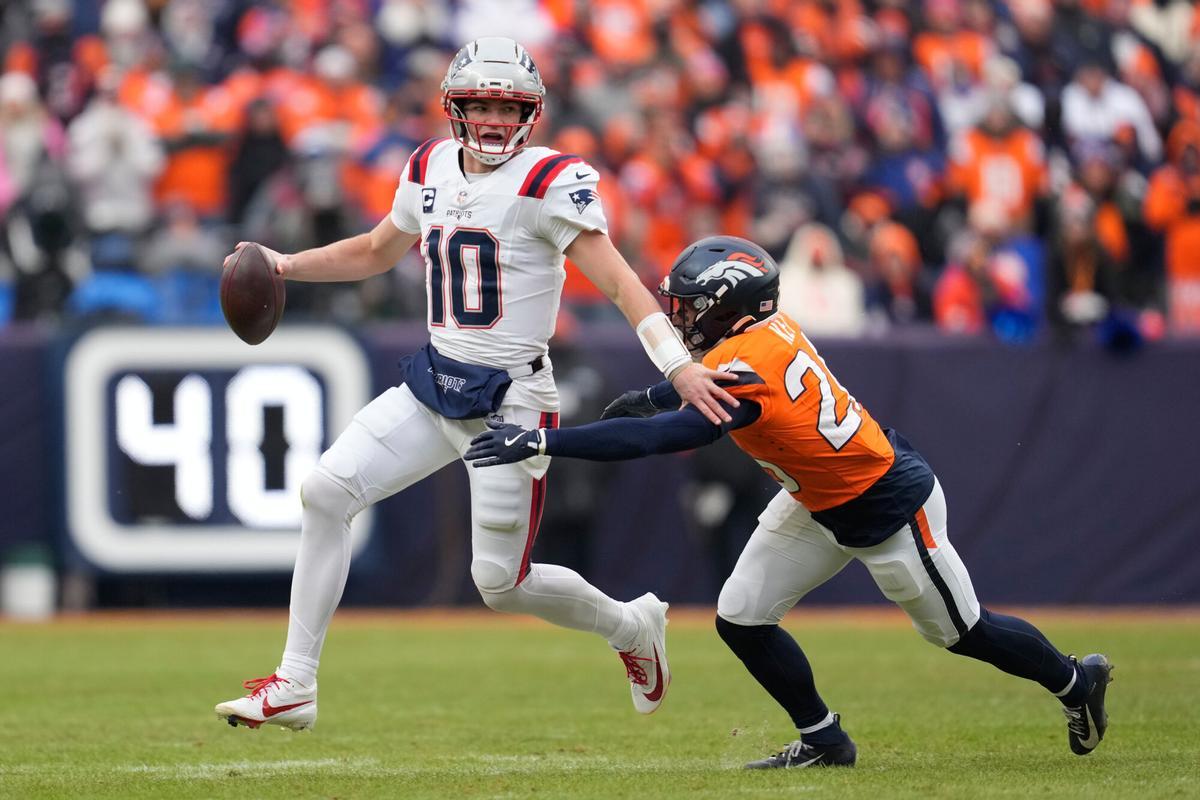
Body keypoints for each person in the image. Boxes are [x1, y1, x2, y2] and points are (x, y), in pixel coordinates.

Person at [214, 38, 735, 731]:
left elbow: (617, 282)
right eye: (479, 104)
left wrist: (678, 365)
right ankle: (296, 684)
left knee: (502, 584)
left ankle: (630, 626)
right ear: (454, 107)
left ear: (531, 113)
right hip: (435, 383)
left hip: (511, 403)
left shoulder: (550, 180)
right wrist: (286, 265)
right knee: (326, 491)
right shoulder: (427, 164)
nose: (491, 119)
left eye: (506, 106)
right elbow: (375, 250)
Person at [465, 235, 1114, 769]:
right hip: (814, 498)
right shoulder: (762, 333)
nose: (680, 318)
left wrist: (548, 439)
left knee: (960, 631)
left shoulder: (749, 359)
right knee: (742, 617)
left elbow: (671, 434)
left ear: (729, 308)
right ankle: (825, 739)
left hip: (885, 507)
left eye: (691, 306)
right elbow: (708, 384)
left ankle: (1075, 680)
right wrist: (654, 394)